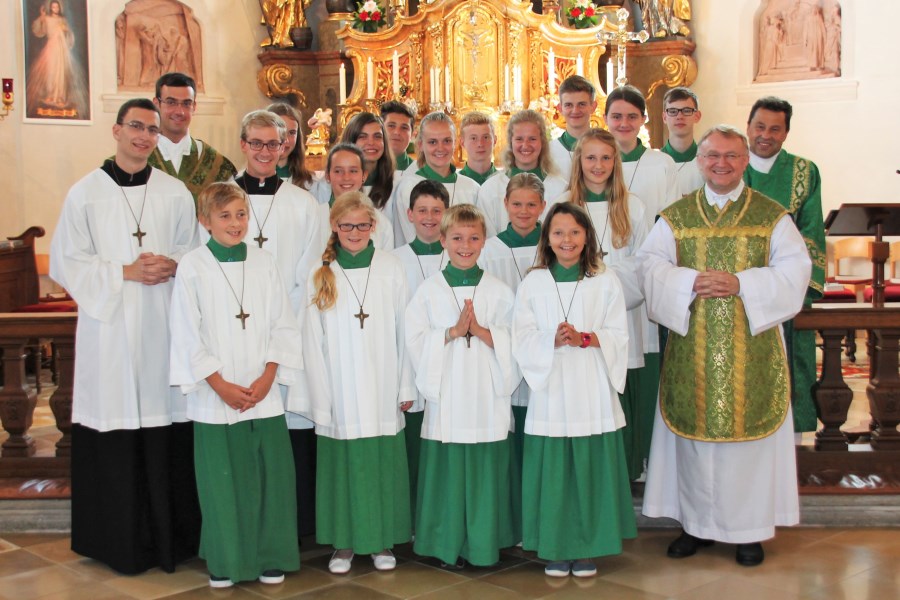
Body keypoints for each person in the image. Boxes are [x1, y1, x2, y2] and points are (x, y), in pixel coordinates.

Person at [639, 124, 811, 567]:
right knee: (693, 443)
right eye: (713, 155)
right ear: (700, 161)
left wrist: (742, 284)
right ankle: (694, 526)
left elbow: (796, 270)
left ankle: (748, 532)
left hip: (752, 351)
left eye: (732, 156)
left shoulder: (772, 217)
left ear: (745, 160)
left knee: (747, 447)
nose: (722, 163)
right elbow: (649, 266)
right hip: (692, 350)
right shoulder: (675, 216)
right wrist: (688, 281)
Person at [49, 98, 200, 574]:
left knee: (164, 429)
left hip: (163, 328)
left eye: (152, 129)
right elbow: (65, 261)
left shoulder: (175, 192)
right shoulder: (85, 193)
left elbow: (196, 250)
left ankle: (171, 541)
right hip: (110, 332)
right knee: (116, 428)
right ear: (116, 131)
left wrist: (174, 264)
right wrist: (124, 272)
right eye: (136, 126)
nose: (144, 136)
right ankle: (116, 543)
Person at [169, 182, 302, 588]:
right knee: (222, 483)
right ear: (205, 220)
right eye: (224, 215)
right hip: (216, 395)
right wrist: (219, 384)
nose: (235, 223)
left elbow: (283, 323)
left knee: (270, 480)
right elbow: (187, 332)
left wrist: (268, 376)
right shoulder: (193, 266)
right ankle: (226, 559)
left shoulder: (264, 262)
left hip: (263, 392)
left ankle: (271, 556)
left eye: (241, 214)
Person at [513, 201, 636, 578]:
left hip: (590, 384)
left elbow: (618, 334)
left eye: (574, 232)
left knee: (589, 468)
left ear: (587, 236)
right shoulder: (533, 282)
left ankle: (587, 548)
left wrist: (584, 338)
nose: (567, 239)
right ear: (547, 238)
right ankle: (556, 547)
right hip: (551, 387)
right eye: (558, 232)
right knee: (555, 472)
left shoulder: (604, 279)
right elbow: (521, 336)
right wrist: (550, 339)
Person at [298, 192, 414, 574]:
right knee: (343, 467)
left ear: (373, 226)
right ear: (334, 226)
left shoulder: (391, 267)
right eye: (346, 225)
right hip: (340, 387)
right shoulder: (320, 273)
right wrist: (320, 397)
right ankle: (343, 543)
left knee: (381, 464)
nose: (354, 232)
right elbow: (312, 341)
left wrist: (405, 385)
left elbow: (405, 329)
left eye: (362, 225)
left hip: (382, 382)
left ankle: (381, 541)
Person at [405, 204, 520, 568]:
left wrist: (483, 332)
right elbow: (414, 340)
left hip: (486, 396)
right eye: (456, 238)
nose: (465, 246)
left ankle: (485, 545)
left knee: (486, 468)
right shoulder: (429, 291)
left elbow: (517, 340)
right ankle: (446, 544)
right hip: (449, 396)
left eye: (473, 238)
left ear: (484, 241)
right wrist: (452, 332)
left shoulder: (499, 291)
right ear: (443, 240)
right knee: (449, 472)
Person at [231, 109, 322, 540]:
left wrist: (282, 327)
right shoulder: (222, 199)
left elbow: (311, 273)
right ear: (243, 144)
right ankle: (245, 525)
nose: (266, 151)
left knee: (288, 430)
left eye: (274, 143)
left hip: (288, 331)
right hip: (234, 334)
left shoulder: (303, 204)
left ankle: (291, 529)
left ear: (285, 145)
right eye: (257, 143)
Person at [554, 128, 650, 479]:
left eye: (606, 158)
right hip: (573, 313)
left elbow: (644, 263)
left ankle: (619, 477)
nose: (598, 165)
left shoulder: (632, 205)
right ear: (578, 161)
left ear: (615, 162)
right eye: (591, 157)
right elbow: (553, 256)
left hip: (618, 314)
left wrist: (605, 285)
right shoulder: (563, 203)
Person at [743, 96, 825, 434]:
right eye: (760, 126)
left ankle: (795, 437)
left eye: (775, 129)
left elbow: (812, 231)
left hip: (788, 288)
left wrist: (794, 283)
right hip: (740, 289)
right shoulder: (730, 165)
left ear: (786, 133)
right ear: (748, 127)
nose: (766, 135)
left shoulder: (805, 172)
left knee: (794, 362)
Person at [478, 172, 546, 539]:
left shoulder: (553, 245)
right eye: (516, 203)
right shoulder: (489, 250)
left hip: (542, 351)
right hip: (502, 352)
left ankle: (537, 518)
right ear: (505, 204)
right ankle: (513, 521)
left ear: (543, 207)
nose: (523, 211)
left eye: (531, 205)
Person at [391, 179, 450, 521]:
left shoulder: (459, 255)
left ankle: (440, 519)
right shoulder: (393, 261)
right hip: (409, 371)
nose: (429, 217)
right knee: (413, 451)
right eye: (422, 210)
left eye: (437, 210)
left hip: (450, 370)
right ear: (409, 214)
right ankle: (413, 521)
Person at [393, 112, 481, 245]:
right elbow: (411, 239)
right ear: (421, 145)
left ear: (455, 143)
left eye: (447, 141)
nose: (440, 148)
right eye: (432, 142)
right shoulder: (408, 187)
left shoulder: (472, 188)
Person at [149, 72, 238, 203]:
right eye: (171, 102)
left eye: (186, 103)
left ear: (194, 107)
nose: (179, 111)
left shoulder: (217, 165)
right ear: (156, 104)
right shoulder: (138, 159)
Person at [476, 110, 567, 236]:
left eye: (532, 139)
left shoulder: (560, 189)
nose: (525, 145)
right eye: (519, 139)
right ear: (510, 142)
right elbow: (486, 239)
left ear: (542, 142)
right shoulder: (491, 189)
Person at [310, 143, 394, 250]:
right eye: (338, 171)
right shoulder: (314, 218)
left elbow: (386, 259)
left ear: (364, 176)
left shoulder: (381, 223)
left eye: (353, 171)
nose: (346, 177)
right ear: (327, 176)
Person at [26, 0, 89, 118]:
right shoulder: (47, 18)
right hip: (51, 48)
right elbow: (39, 30)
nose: (55, 9)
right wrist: (42, 17)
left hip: (61, 49)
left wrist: (65, 31)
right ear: (50, 8)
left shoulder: (63, 20)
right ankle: (51, 95)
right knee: (51, 71)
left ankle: (59, 96)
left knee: (61, 73)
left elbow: (69, 35)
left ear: (59, 8)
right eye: (53, 7)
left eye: (57, 7)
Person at [340, 112, 397, 228]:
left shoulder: (397, 184)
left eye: (377, 136)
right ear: (350, 142)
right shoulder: (336, 183)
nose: (371, 143)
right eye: (362, 137)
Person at [550, 75, 599, 181]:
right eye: (568, 105)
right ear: (560, 108)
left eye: (582, 104)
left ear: (593, 107)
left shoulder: (605, 148)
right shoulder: (548, 151)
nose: (575, 111)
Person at [661, 86, 704, 196]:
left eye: (686, 111)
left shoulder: (708, 161)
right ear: (664, 117)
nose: (679, 116)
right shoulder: (655, 163)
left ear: (697, 116)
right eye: (673, 111)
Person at [267, 102, 316, 190]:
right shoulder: (246, 181)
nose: (286, 140)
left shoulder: (311, 182)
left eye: (292, 133)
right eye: (280, 132)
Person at [458, 111, 500, 185]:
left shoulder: (507, 183)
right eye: (473, 138)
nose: (480, 144)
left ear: (495, 140)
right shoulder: (453, 184)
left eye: (486, 137)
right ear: (462, 142)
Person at [380, 100, 417, 174]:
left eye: (404, 127)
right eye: (391, 126)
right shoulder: (364, 169)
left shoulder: (420, 172)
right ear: (380, 129)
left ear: (412, 134)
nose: (397, 132)